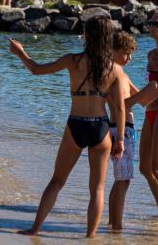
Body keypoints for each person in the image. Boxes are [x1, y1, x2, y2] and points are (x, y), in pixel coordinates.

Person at [9, 16, 126, 238]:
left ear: (87, 36)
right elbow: (119, 108)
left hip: (76, 125)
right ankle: (90, 237)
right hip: (100, 128)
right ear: (108, 38)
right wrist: (119, 139)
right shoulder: (115, 69)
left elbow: (36, 69)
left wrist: (20, 53)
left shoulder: (72, 61)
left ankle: (35, 229)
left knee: (57, 181)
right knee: (97, 189)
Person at [107, 32, 158, 230]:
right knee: (124, 180)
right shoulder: (113, 73)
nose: (130, 59)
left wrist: (148, 95)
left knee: (121, 180)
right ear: (112, 51)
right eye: (126, 54)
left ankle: (113, 223)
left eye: (131, 55)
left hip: (125, 130)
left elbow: (144, 100)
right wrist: (144, 95)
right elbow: (120, 106)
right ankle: (116, 228)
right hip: (121, 131)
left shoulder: (122, 73)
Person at [139, 13, 158, 207]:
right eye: (150, 22)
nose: (151, 25)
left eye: (155, 22)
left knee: (155, 167)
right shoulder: (151, 54)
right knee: (145, 168)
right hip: (149, 111)